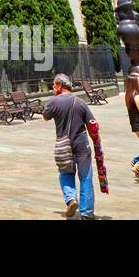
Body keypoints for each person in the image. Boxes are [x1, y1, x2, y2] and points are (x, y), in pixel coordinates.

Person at [43, 74, 97, 219]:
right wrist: (97, 145)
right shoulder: (80, 102)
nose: (53, 88)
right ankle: (87, 213)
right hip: (82, 143)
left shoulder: (54, 101)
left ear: (60, 85)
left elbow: (46, 116)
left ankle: (71, 199)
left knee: (65, 173)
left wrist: (54, 99)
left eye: (54, 85)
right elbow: (92, 124)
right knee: (85, 176)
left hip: (63, 144)